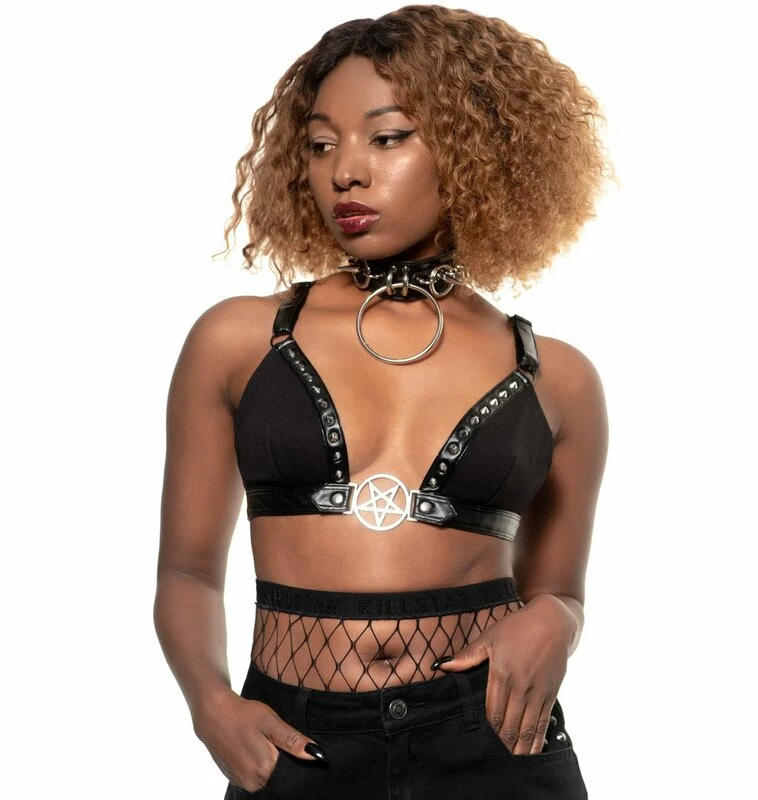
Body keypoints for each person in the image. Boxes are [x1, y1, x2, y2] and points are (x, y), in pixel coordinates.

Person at [154, 5, 611, 798]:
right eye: (321, 144)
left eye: (387, 137)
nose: (346, 172)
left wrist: (559, 619)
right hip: (295, 745)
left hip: (492, 740)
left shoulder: (555, 376)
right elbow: (188, 571)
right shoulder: (238, 341)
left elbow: (560, 589)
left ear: (474, 149)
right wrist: (211, 706)